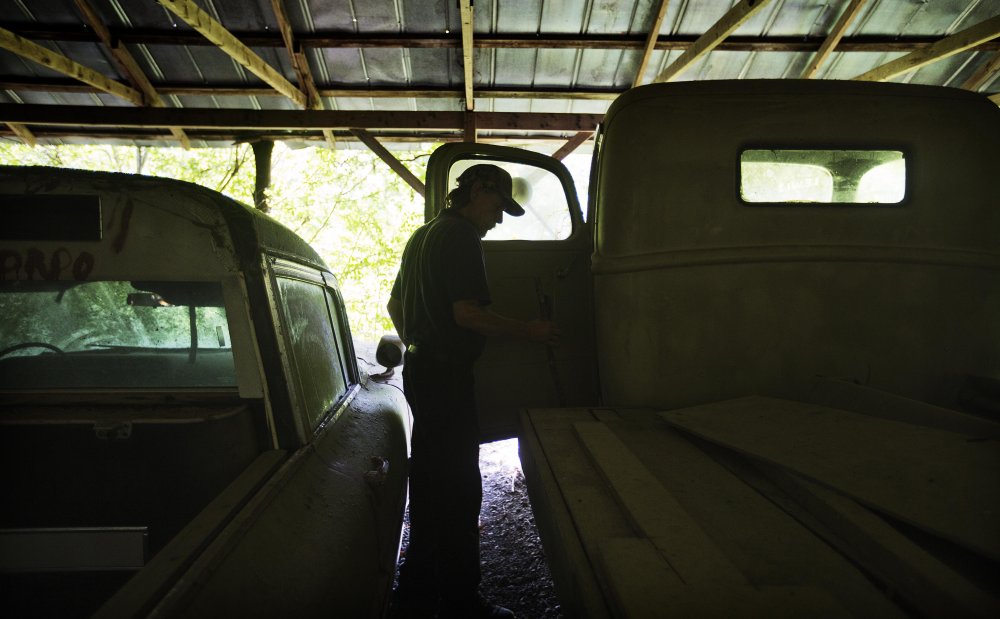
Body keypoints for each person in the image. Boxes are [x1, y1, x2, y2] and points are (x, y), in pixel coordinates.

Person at [386, 164, 560, 619]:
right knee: (461, 487)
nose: (499, 219)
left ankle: (415, 590)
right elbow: (467, 314)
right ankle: (462, 602)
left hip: (420, 369)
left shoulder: (423, 235)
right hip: (446, 376)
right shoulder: (461, 237)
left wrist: (420, 341)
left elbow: (393, 304)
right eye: (498, 206)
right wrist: (529, 331)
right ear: (477, 192)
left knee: (428, 481)